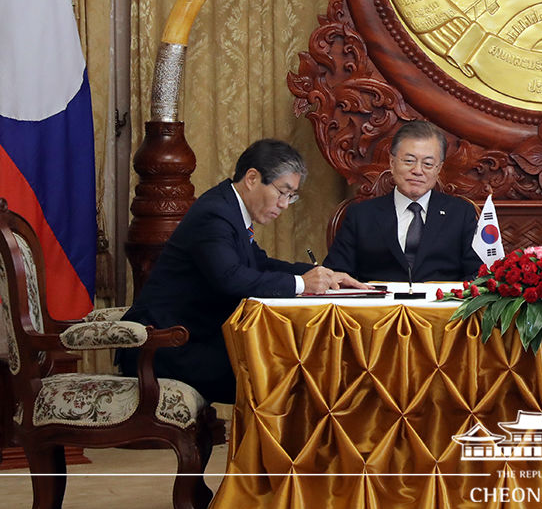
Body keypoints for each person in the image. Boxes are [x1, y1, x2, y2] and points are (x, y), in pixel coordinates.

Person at [120, 139, 363, 403]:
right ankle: (275, 445)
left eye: (291, 196)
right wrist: (302, 284)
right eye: (282, 192)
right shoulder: (215, 214)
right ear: (252, 178)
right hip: (166, 345)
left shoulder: (229, 209)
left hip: (194, 338)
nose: (284, 204)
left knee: (297, 364)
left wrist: (324, 276)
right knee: (286, 372)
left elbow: (259, 263)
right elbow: (230, 279)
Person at [324, 120, 482, 282]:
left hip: (441, 305)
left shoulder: (461, 213)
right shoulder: (361, 215)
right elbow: (337, 274)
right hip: (379, 306)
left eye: (428, 164)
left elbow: (478, 275)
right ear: (392, 163)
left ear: (438, 169)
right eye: (409, 161)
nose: (417, 171)